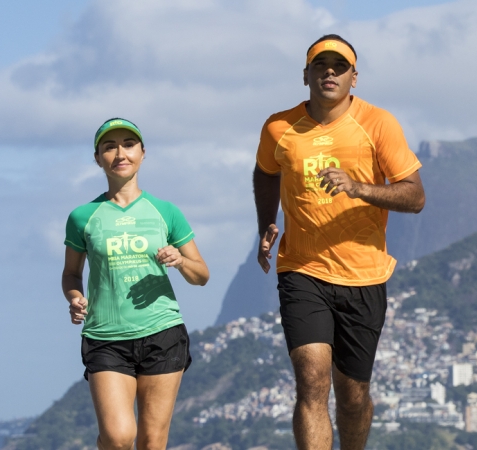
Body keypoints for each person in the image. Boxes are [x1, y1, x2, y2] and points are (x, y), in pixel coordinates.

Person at [252, 34, 425, 450]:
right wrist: (266, 223)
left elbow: (415, 196)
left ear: (354, 77)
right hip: (302, 269)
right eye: (321, 65)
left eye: (340, 67)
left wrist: (359, 188)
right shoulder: (279, 126)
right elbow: (265, 172)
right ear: (306, 74)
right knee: (311, 382)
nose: (330, 73)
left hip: (363, 274)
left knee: (352, 398)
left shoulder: (378, 123)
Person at [61, 118, 210, 450]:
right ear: (98, 157)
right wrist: (75, 297)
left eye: (128, 144)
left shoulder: (165, 211)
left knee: (152, 442)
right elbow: (71, 273)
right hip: (105, 338)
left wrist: (180, 260)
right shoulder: (83, 216)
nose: (120, 152)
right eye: (109, 146)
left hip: (163, 333)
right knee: (117, 437)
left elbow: (201, 275)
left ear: (143, 153)